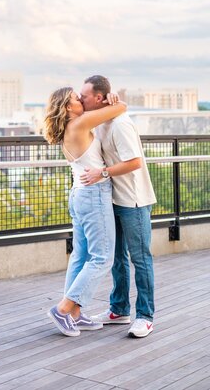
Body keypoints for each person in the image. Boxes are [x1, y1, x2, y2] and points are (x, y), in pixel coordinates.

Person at [44, 86, 126, 337]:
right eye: (74, 98)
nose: (79, 99)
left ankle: (74, 315)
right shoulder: (79, 124)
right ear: (68, 107)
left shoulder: (69, 127)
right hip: (93, 196)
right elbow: (121, 108)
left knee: (80, 257)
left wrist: (106, 102)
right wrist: (113, 99)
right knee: (102, 258)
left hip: (79, 195)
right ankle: (62, 309)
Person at [79, 75, 157, 338]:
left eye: (85, 95)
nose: (80, 98)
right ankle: (119, 309)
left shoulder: (121, 125)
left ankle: (145, 316)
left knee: (140, 258)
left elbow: (135, 162)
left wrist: (102, 173)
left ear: (99, 98)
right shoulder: (101, 120)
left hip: (133, 201)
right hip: (112, 199)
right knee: (117, 259)